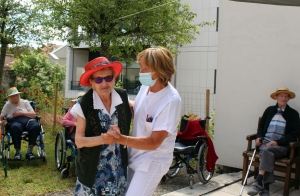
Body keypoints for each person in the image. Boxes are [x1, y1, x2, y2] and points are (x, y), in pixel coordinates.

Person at [108, 46, 182, 195]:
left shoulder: (170, 100)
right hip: (136, 154)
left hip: (153, 160)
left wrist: (121, 139)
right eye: (141, 67)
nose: (140, 72)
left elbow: (154, 142)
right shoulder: (145, 87)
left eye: (146, 69)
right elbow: (141, 112)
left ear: (160, 70)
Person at [71, 57, 132, 196]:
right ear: (92, 83)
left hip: (119, 170)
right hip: (93, 173)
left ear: (114, 78)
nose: (104, 83)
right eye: (98, 79)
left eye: (108, 78)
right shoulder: (84, 104)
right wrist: (103, 139)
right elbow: (79, 141)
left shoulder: (123, 97)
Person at [247, 87, 300, 196]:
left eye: (286, 96)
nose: (284, 98)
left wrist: (278, 142)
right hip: (265, 144)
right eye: (281, 95)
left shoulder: (293, 114)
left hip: (281, 147)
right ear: (276, 97)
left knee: (267, 151)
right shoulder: (269, 110)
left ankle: (259, 181)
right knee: (267, 152)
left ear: (289, 99)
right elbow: (261, 127)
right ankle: (265, 188)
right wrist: (259, 137)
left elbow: (294, 135)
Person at [0, 87, 40, 160]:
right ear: (10, 98)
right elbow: (1, 117)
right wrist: (1, 122)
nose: (15, 97)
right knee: (15, 127)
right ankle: (18, 152)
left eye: (16, 95)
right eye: (13, 96)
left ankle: (29, 152)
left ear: (19, 95)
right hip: (15, 122)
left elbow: (33, 114)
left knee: (36, 126)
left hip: (28, 121)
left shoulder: (25, 102)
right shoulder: (7, 105)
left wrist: (21, 113)